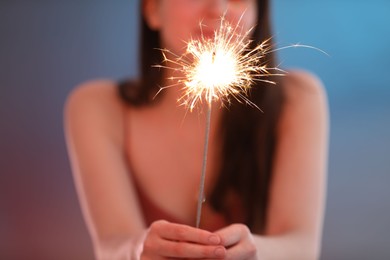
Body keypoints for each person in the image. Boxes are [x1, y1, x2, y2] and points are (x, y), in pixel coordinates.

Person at [64, 0, 329, 259]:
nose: (219, 9)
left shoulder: (296, 99)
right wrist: (139, 250)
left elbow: (302, 247)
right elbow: (110, 245)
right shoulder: (98, 107)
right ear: (152, 8)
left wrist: (254, 253)